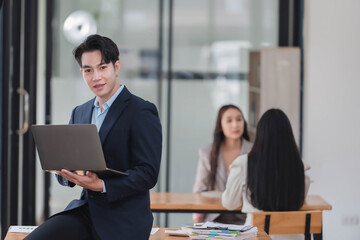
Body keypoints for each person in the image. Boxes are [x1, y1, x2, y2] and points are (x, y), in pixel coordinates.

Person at [25, 34, 162, 240]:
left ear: (116, 67)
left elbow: (147, 174)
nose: (95, 77)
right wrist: (64, 172)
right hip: (86, 211)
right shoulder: (79, 112)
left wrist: (102, 185)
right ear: (82, 73)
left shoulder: (141, 111)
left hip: (124, 220)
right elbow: (69, 168)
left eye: (102, 67)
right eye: (88, 70)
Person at [222, 108, 310, 240]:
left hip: (255, 236)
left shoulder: (243, 163)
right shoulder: (300, 166)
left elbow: (229, 203)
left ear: (260, 135)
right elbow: (299, 200)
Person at [193, 104, 252, 224]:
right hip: (214, 219)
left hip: (246, 219)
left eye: (239, 119)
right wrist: (198, 220)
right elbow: (200, 190)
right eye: (229, 121)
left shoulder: (254, 151)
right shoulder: (207, 152)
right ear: (220, 125)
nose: (235, 124)